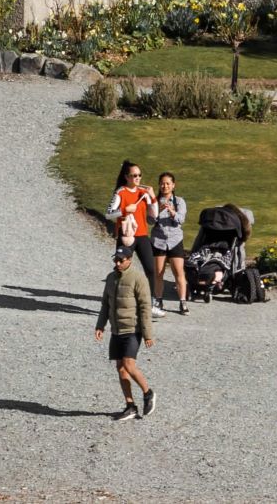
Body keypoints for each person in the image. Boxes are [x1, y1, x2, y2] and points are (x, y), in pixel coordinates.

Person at [94, 241, 156, 419]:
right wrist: (100, 325)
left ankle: (148, 393)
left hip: (132, 329)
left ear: (130, 260)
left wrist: (147, 334)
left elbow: (145, 306)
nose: (117, 263)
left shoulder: (138, 278)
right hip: (116, 330)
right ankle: (130, 405)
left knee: (129, 365)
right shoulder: (111, 277)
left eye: (121, 260)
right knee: (121, 369)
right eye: (116, 260)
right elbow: (105, 303)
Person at [106, 159, 156, 292]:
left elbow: (154, 215)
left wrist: (153, 198)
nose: (138, 178)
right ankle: (115, 297)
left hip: (142, 235)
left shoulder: (143, 193)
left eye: (139, 175)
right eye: (134, 175)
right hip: (126, 235)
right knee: (121, 267)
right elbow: (108, 214)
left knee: (151, 269)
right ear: (127, 177)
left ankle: (151, 301)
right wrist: (124, 210)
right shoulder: (120, 192)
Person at [149, 171, 188, 314]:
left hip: (175, 240)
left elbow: (181, 220)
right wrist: (157, 210)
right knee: (158, 273)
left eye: (167, 183)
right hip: (158, 240)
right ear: (159, 185)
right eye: (162, 183)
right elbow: (150, 221)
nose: (164, 186)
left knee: (179, 272)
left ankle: (182, 301)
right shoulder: (153, 201)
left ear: (173, 185)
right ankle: (158, 300)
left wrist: (172, 212)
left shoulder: (179, 201)